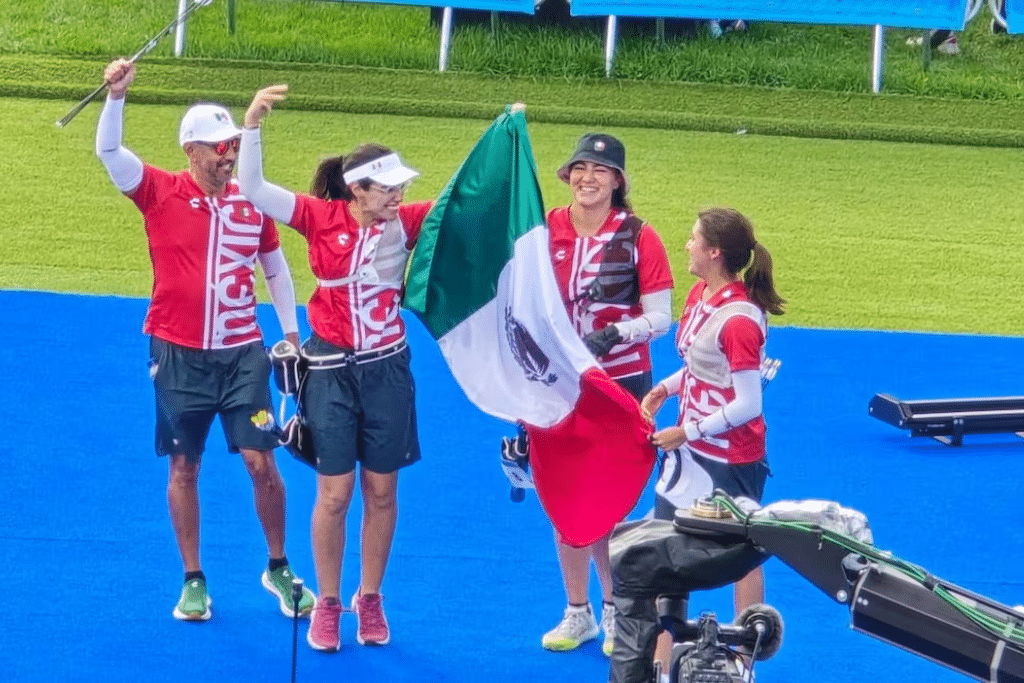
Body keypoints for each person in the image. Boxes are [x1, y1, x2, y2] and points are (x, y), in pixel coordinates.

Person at [94, 59, 315, 622]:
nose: (228, 154)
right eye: (218, 146)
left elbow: (275, 268)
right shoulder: (159, 191)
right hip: (176, 354)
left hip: (243, 356)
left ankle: (278, 565)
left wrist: (291, 334)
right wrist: (116, 97)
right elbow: (110, 153)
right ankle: (193, 579)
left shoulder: (252, 202)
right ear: (190, 150)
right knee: (184, 467)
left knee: (262, 462)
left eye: (233, 144)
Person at [237, 84, 431, 653]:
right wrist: (253, 125)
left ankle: (369, 599)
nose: (399, 195)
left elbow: (471, 203)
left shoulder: (410, 220)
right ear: (357, 189)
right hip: (328, 372)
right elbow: (254, 188)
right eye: (388, 187)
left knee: (382, 491)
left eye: (401, 186)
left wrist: (504, 144)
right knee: (335, 494)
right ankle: (327, 602)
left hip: (387, 370)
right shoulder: (318, 217)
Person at [525, 133, 674, 656]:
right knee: (562, 494)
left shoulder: (640, 236)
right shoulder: (542, 229)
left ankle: (614, 607)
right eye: (580, 168)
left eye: (600, 170)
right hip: (559, 382)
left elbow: (661, 317)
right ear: (568, 175)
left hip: (619, 384)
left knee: (610, 498)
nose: (588, 178)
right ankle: (577, 610)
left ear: (617, 181)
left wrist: (615, 334)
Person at [639, 207, 785, 680]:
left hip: (730, 459)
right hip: (691, 454)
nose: (687, 245)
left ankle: (745, 660)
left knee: (740, 557)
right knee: (664, 553)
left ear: (715, 252)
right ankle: (660, 667)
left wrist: (687, 431)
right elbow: (701, 366)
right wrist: (666, 389)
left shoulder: (740, 321)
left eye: (694, 238)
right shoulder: (700, 295)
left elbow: (748, 403)